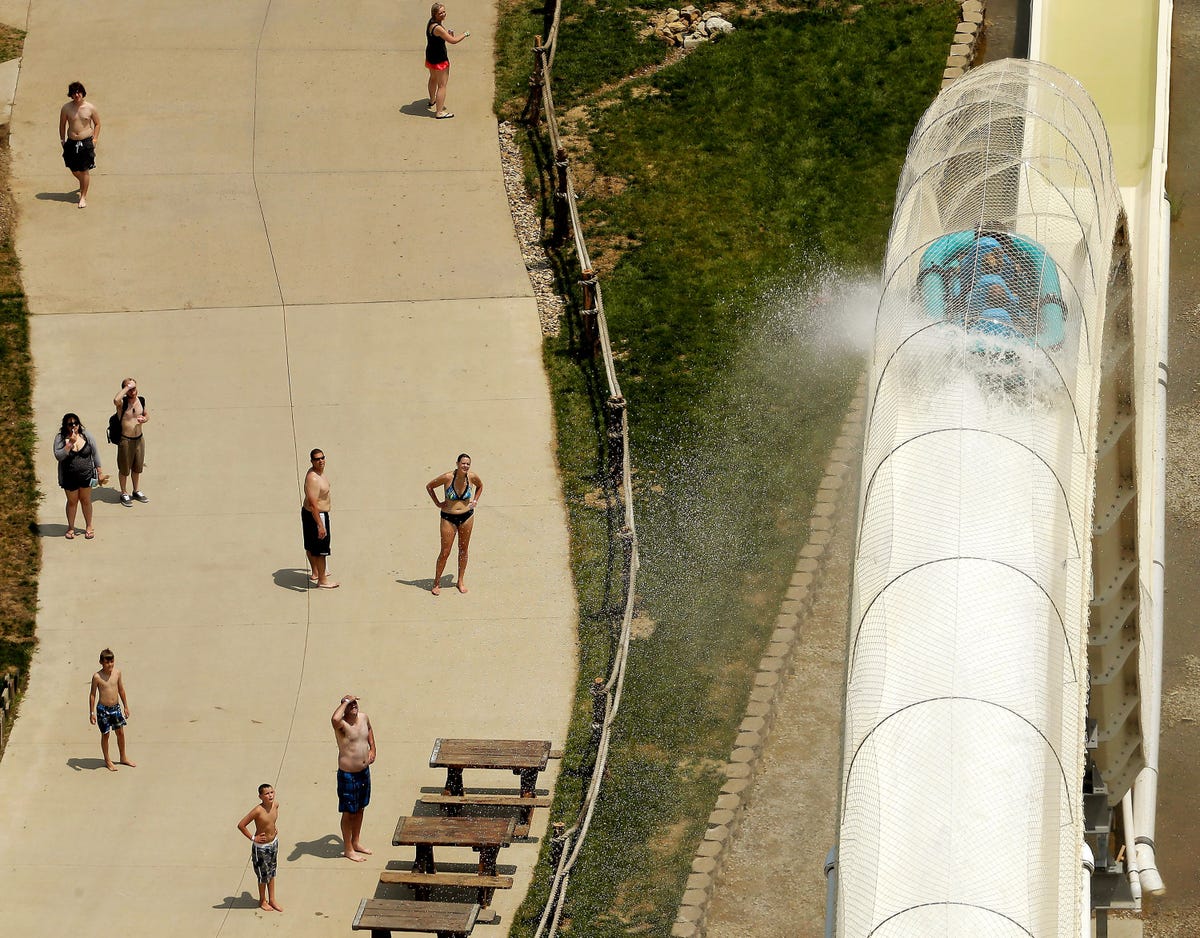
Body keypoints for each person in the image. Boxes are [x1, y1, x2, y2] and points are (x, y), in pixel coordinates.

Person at [425, 453, 483, 594]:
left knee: (463, 550)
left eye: (468, 464)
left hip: (467, 517)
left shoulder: (471, 477)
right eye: (463, 463)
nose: (465, 466)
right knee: (445, 552)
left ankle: (460, 581)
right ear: (457, 463)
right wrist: (438, 503)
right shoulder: (447, 477)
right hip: (448, 518)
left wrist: (475, 501)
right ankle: (437, 582)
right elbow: (429, 486)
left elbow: (480, 486)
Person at [331, 695, 375, 861]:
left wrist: (373, 749)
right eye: (350, 705)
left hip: (364, 772)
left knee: (361, 808)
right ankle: (348, 848)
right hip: (348, 775)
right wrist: (345, 702)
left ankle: (356, 842)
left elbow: (369, 730)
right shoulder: (341, 725)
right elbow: (335, 718)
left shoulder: (364, 718)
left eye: (355, 703)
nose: (354, 706)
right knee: (349, 812)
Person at [53, 413, 105, 539]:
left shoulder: (86, 436)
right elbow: (58, 456)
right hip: (69, 477)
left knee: (86, 500)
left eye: (76, 423)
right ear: (66, 425)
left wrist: (100, 472)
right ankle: (71, 527)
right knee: (72, 502)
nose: (74, 426)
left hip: (87, 476)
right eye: (70, 424)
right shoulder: (60, 438)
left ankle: (89, 526)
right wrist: (70, 443)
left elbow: (95, 453)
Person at [237, 783, 283, 913]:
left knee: (272, 872)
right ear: (260, 796)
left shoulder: (276, 805)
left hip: (273, 843)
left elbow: (270, 821)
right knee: (263, 876)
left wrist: (273, 828)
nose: (270, 795)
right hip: (261, 848)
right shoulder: (257, 810)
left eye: (272, 792)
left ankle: (272, 899)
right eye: (267, 794)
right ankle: (262, 900)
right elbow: (241, 825)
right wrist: (253, 838)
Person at [88, 648, 135, 771]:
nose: (110, 664)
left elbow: (121, 690)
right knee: (106, 734)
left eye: (112, 661)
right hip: (103, 710)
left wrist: (125, 706)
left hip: (116, 708)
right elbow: (92, 695)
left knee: (120, 733)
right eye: (107, 662)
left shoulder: (117, 673)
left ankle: (123, 757)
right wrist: (92, 712)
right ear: (101, 662)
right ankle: (107, 760)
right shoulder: (97, 677)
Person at [58, 81, 100, 208]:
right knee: (73, 168)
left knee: (84, 169)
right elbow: (62, 125)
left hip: (86, 141)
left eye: (79, 92)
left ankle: (83, 196)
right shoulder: (66, 108)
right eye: (74, 93)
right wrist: (62, 140)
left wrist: (95, 140)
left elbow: (97, 124)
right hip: (71, 141)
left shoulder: (90, 108)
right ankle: (83, 182)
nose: (77, 95)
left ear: (83, 93)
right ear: (71, 95)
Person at [425, 2, 470, 120]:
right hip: (440, 58)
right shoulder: (439, 28)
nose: (444, 14)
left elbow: (441, 38)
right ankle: (439, 112)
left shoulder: (431, 23)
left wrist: (446, 35)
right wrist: (465, 34)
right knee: (442, 85)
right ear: (435, 14)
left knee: (433, 78)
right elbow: (453, 41)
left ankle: (432, 100)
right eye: (440, 13)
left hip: (430, 55)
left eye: (444, 11)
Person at [302, 449, 338, 589]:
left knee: (311, 545)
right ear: (312, 461)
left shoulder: (319, 473)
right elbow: (313, 503)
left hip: (311, 513)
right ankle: (322, 580)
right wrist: (320, 525)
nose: (321, 461)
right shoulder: (313, 478)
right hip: (316, 514)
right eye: (317, 459)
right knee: (321, 550)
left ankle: (316, 572)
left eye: (322, 458)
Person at [113, 377, 150, 507]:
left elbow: (146, 414)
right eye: (130, 389)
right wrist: (127, 387)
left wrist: (145, 419)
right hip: (125, 440)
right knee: (124, 468)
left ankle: (136, 490)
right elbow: (115, 399)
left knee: (137, 467)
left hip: (139, 439)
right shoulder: (122, 404)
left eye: (134, 388)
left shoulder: (142, 400)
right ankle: (124, 492)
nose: (133, 391)